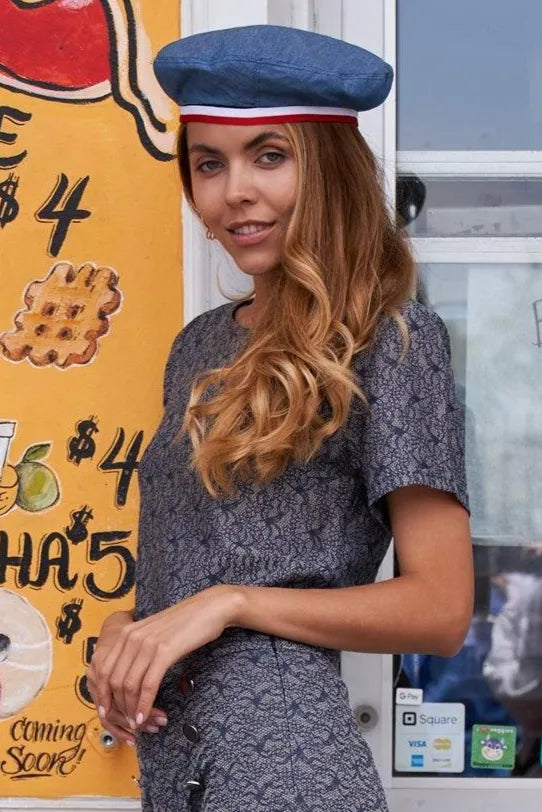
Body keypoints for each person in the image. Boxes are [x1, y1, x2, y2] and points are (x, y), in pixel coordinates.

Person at [85, 24, 473, 812]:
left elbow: (440, 609)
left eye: (269, 156)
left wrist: (229, 603)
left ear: (327, 170)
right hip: (180, 761)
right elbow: (193, 556)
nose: (234, 191)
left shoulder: (393, 340)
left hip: (286, 766)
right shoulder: (199, 346)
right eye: (209, 163)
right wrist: (129, 632)